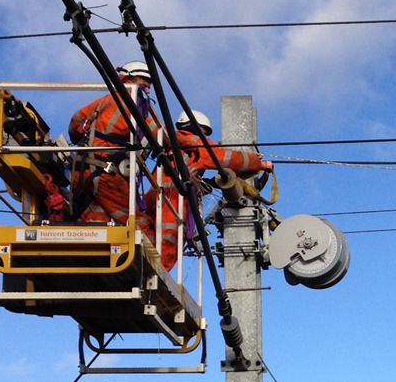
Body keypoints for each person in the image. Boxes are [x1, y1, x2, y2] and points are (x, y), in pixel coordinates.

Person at [141, 110, 275, 271]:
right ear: (196, 128)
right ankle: (154, 274)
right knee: (170, 238)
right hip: (175, 200)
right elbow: (229, 158)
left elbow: (186, 175)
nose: (205, 135)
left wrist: (209, 184)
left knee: (149, 237)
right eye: (204, 131)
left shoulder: (174, 144)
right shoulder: (195, 143)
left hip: (154, 197)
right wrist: (259, 164)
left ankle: (141, 270)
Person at [67, 61, 156, 225]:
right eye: (145, 84)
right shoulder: (134, 105)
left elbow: (75, 121)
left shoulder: (102, 102)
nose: (148, 90)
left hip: (82, 172)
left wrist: (77, 140)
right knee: (140, 224)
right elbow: (156, 131)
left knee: (96, 227)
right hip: (107, 175)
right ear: (128, 80)